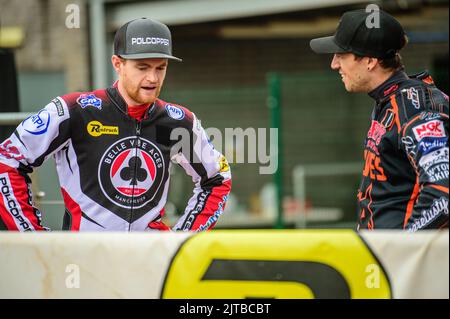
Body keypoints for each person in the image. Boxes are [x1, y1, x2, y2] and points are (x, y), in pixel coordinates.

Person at [0, 18, 231, 231]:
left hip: (148, 261)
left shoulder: (179, 120)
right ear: (117, 64)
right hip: (83, 261)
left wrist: (183, 238)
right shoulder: (74, 110)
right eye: (142, 67)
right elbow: (7, 160)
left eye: (160, 68)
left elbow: (218, 177)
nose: (152, 78)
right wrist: (32, 235)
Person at [310, 9, 448, 231]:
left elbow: (444, 190)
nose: (334, 64)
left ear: (370, 61)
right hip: (385, 257)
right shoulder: (389, 100)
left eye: (341, 55)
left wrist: (403, 246)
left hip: (404, 262)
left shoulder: (415, 106)